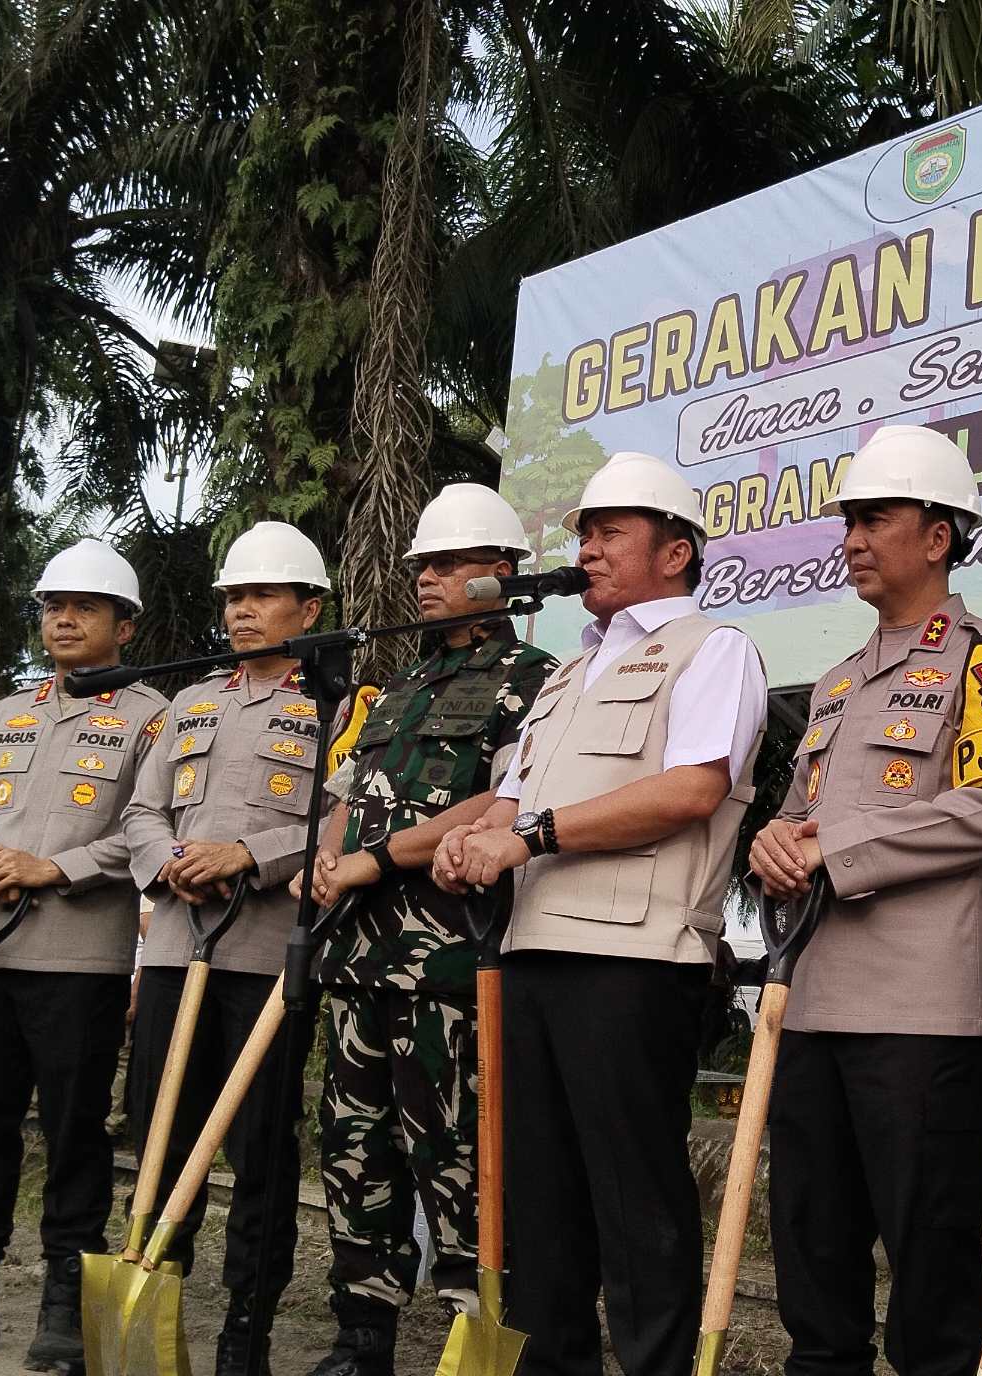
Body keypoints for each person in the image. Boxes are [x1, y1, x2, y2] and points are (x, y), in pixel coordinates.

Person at [435, 451, 768, 1376]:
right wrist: (476, 841)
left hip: (634, 963)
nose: (588, 548)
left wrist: (528, 835)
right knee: (539, 1207)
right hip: (532, 952)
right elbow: (510, 803)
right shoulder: (565, 675)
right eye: (583, 531)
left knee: (636, 1206)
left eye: (611, 530)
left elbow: (693, 791)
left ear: (676, 552)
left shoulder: (715, 649)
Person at [746, 423, 982, 1376]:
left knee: (931, 1285)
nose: (852, 540)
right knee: (813, 1269)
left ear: (938, 534)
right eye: (848, 521)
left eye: (875, 518)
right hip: (811, 1004)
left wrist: (831, 851)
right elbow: (801, 815)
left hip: (921, 1017)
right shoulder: (837, 685)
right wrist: (772, 840)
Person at [296, 486, 556, 1376]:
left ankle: (472, 1326)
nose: (430, 580)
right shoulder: (394, 688)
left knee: (457, 1150)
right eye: (423, 566)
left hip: (452, 957)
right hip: (358, 956)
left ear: (503, 573)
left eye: (449, 563)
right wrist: (329, 860)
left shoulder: (538, 680)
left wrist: (382, 858)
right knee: (354, 1147)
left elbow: (504, 797)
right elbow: (344, 799)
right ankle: (361, 1332)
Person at [0, 540, 167, 1365]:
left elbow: (147, 828)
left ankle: (64, 1297)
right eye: (52, 606)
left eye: (85, 608)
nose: (63, 619)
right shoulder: (4, 714)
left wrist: (53, 867)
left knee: (74, 1134)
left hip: (80, 960)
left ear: (124, 627)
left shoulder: (155, 718)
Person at [121, 521, 333, 1376]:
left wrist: (250, 855)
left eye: (261, 596)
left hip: (265, 961)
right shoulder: (189, 703)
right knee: (156, 1135)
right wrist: (167, 861)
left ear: (309, 607)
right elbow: (139, 812)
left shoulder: (340, 707)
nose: (242, 611)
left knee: (260, 1149)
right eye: (233, 598)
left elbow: (340, 820)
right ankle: (149, 1306)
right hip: (176, 946)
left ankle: (247, 1326)